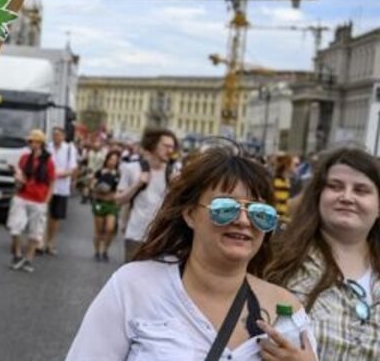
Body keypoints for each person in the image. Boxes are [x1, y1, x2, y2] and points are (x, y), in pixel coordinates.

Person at [66, 143, 317, 361]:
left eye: (259, 213)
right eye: (225, 208)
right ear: (189, 214)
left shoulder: (286, 310)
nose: (243, 221)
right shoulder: (133, 287)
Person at [265, 147, 380, 360]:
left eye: (361, 190)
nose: (347, 197)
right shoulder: (277, 259)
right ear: (318, 196)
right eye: (335, 187)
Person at [115, 128, 178, 261]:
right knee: (132, 273)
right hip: (135, 235)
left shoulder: (173, 173)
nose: (170, 151)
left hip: (161, 238)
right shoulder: (131, 168)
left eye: (172, 147)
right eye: (166, 146)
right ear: (153, 145)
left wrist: (177, 188)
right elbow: (118, 200)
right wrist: (137, 184)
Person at [8, 129, 55, 273]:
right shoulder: (24, 158)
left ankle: (28, 259)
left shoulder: (48, 162)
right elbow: (20, 177)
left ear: (40, 143)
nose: (31, 144)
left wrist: (47, 200)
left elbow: (52, 182)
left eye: (34, 141)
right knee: (15, 227)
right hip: (22, 196)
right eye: (30, 141)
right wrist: (17, 178)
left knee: (35, 232)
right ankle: (17, 254)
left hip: (39, 199)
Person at [45, 126, 78, 255]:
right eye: (54, 135)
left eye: (58, 135)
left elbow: (72, 169)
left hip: (61, 188)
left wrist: (55, 174)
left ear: (63, 136)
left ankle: (50, 242)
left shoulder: (69, 149)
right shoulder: (47, 147)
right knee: (43, 214)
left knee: (55, 217)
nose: (56, 137)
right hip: (46, 186)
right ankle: (41, 241)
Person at [90, 150, 121, 261]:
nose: (112, 162)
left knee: (110, 228)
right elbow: (92, 186)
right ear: (106, 160)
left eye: (115, 160)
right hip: (100, 203)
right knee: (99, 230)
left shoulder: (118, 174)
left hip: (112, 204)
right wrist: (98, 188)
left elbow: (121, 189)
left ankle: (105, 251)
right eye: (111, 159)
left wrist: (115, 195)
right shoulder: (99, 172)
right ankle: (97, 251)